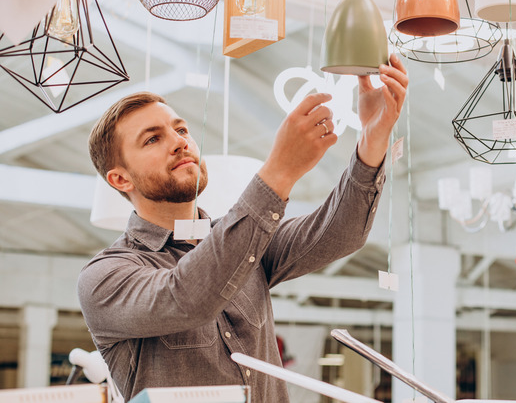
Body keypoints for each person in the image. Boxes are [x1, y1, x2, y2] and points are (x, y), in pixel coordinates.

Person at [77, 55, 408, 402]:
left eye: (181, 129)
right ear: (120, 178)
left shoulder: (246, 242)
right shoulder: (105, 276)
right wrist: (278, 172)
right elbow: (187, 296)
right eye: (152, 139)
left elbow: (340, 233)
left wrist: (373, 139)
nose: (179, 141)